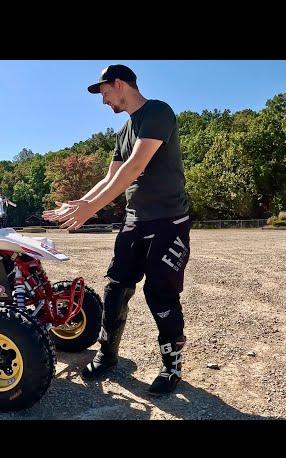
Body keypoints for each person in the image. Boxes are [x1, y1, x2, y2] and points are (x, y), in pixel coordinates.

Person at [43, 64, 191, 394]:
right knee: (115, 289)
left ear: (120, 84)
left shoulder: (157, 112)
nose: (104, 101)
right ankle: (108, 357)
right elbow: (111, 178)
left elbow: (136, 166)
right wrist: (79, 203)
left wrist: (91, 209)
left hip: (168, 220)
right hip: (135, 220)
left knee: (159, 293)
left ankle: (172, 366)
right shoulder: (124, 131)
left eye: (105, 92)